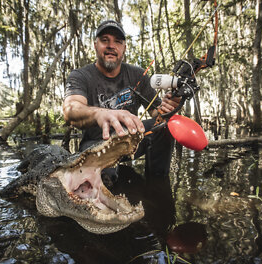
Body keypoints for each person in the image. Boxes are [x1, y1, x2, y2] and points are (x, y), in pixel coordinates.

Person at [63, 19, 181, 176]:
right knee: (107, 180)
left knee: (164, 126)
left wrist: (170, 106)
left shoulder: (138, 74)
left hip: (131, 140)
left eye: (117, 41)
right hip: (97, 146)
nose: (111, 46)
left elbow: (156, 113)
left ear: (124, 48)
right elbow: (71, 111)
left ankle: (157, 186)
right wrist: (101, 113)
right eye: (105, 40)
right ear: (95, 45)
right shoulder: (80, 76)